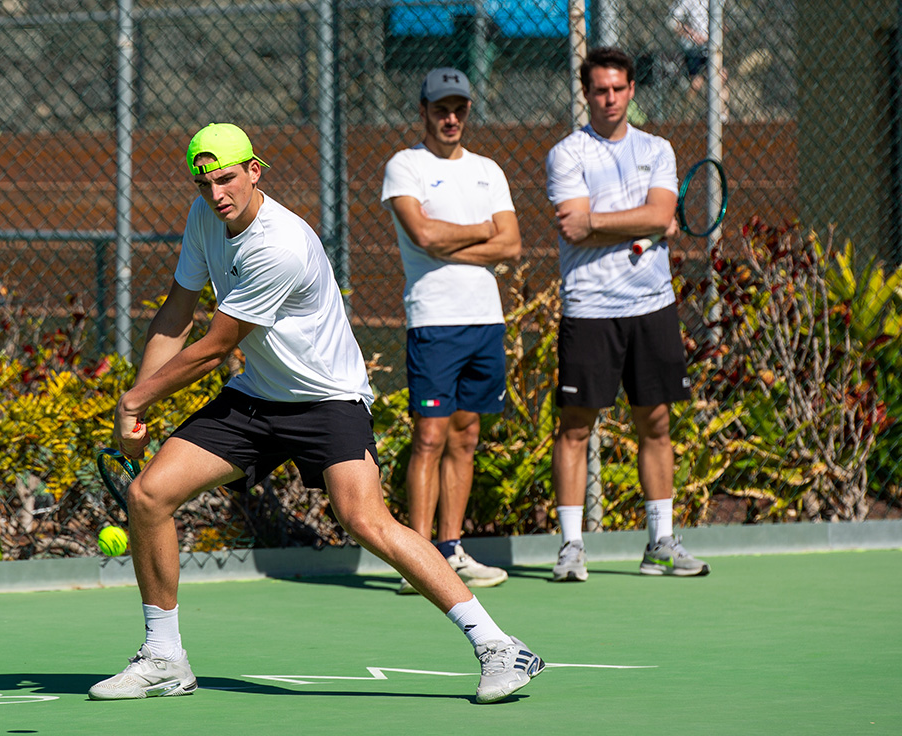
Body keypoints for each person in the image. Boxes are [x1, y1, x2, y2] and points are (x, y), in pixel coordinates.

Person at [89, 123, 544, 703]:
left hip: (328, 399)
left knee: (366, 521)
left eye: (226, 179)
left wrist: (135, 401)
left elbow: (214, 347)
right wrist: (136, 406)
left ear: (255, 171)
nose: (216, 194)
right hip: (259, 396)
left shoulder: (279, 244)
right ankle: (163, 657)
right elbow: (177, 313)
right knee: (149, 495)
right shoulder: (205, 216)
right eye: (204, 184)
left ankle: (500, 646)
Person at [544, 48, 710, 582]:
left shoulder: (658, 149)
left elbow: (655, 214)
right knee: (576, 427)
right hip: (589, 307)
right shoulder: (567, 154)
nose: (610, 99)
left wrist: (600, 221)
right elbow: (573, 229)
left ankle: (660, 543)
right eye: (600, 90)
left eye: (618, 89)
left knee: (655, 422)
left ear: (632, 90)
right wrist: (644, 223)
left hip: (652, 305)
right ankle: (571, 548)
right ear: (586, 94)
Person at [380, 68, 522, 595]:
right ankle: (418, 561)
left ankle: (450, 550)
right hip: (434, 321)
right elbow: (422, 235)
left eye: (459, 109)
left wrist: (453, 241)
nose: (451, 118)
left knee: (466, 436)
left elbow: (512, 244)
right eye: (441, 109)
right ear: (424, 112)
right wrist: (484, 230)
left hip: (485, 320)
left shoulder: (488, 170)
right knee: (429, 436)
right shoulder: (405, 166)